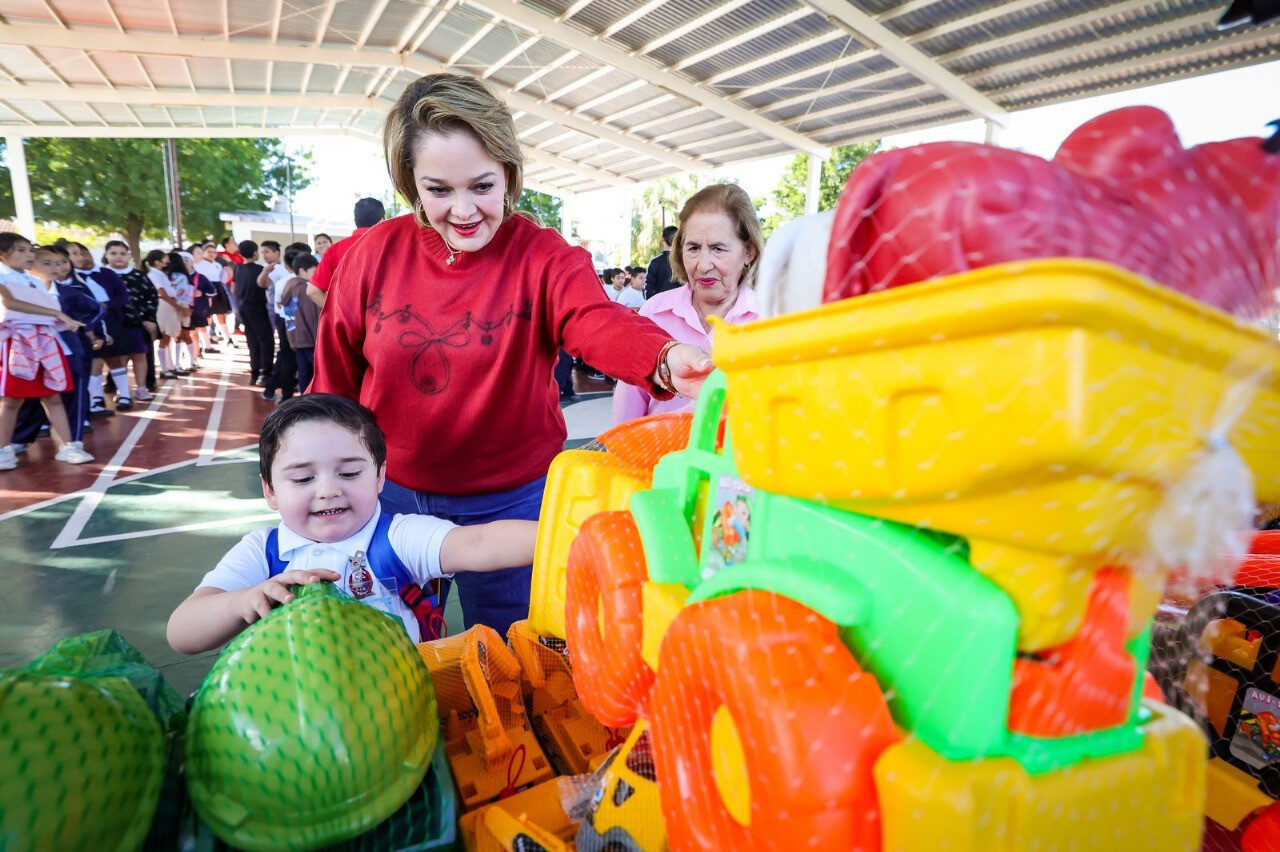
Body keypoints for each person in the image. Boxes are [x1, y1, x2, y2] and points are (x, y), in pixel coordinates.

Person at [312, 73, 713, 636]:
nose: (464, 211)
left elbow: (594, 319)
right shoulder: (373, 254)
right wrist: (321, 482)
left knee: (518, 656)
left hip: (514, 501)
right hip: (390, 498)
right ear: (410, 184)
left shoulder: (545, 257)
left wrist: (664, 357)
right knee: (391, 649)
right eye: (438, 190)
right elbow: (333, 381)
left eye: (481, 186)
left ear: (508, 173)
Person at [165, 394, 539, 654]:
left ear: (380, 477)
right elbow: (182, 633)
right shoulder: (262, 553)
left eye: (348, 473)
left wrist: (563, 535)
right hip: (296, 722)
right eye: (302, 478)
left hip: (401, 711)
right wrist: (243, 600)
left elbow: (477, 543)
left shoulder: (397, 538)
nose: (328, 490)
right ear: (270, 491)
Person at [613, 183, 761, 424]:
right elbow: (627, 410)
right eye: (693, 248)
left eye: (718, 248)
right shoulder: (655, 312)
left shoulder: (770, 319)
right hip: (653, 449)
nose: (703, 265)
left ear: (749, 252)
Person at [0, 233, 93, 468]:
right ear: (2, 255)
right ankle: (3, 450)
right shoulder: (2, 276)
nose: (29, 255)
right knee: (11, 400)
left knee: (53, 395)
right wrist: (57, 314)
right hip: (17, 344)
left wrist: (57, 316)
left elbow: (44, 307)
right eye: (21, 250)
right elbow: (10, 303)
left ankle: (68, 446)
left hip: (44, 343)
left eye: (30, 250)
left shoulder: (32, 281)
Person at [103, 240, 157, 402]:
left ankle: (142, 388)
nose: (118, 257)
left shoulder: (139, 276)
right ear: (106, 255)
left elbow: (152, 297)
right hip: (113, 325)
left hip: (136, 324)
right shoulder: (102, 276)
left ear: (128, 256)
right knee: (120, 358)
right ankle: (123, 391)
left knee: (139, 356)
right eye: (113, 253)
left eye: (122, 253)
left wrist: (150, 319)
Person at [307, 198, 385, 308]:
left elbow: (312, 291)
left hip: (350, 315)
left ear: (355, 220)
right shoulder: (394, 245)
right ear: (382, 220)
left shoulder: (334, 250)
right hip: (388, 315)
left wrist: (338, 313)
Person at [278, 253, 321, 394]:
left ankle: (304, 399)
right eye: (314, 271)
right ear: (302, 271)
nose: (317, 275)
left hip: (296, 339)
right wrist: (318, 338)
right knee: (317, 374)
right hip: (310, 339)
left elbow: (289, 317)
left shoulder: (289, 285)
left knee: (304, 374)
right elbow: (312, 317)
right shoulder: (305, 289)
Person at [233, 240, 273, 386]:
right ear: (255, 252)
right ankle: (265, 373)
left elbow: (233, 289)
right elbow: (267, 285)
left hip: (243, 307)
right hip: (257, 306)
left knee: (251, 339)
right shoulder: (260, 269)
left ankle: (255, 373)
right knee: (265, 339)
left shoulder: (237, 268)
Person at [644, 224, 680, 300]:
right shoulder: (683, 261)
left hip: (660, 303)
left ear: (663, 238)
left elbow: (649, 288)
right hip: (681, 303)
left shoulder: (655, 262)